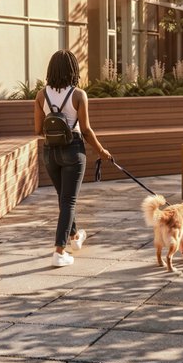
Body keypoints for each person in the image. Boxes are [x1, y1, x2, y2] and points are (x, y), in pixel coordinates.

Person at [34, 49, 111, 267]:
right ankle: (59, 252)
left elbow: (38, 129)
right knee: (68, 200)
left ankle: (75, 236)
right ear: (73, 70)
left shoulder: (41, 95)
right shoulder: (78, 95)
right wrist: (101, 150)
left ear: (51, 70)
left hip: (50, 152)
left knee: (64, 198)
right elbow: (85, 130)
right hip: (73, 150)